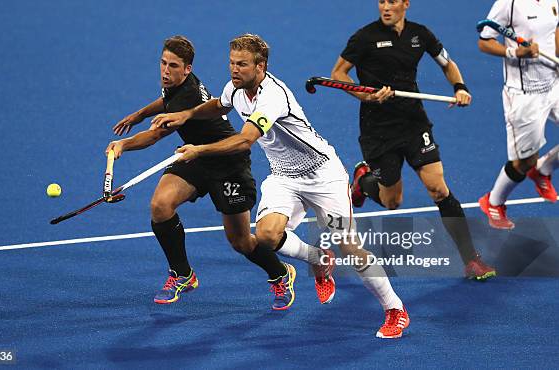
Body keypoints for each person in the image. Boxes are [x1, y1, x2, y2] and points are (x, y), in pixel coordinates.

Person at [152, 34, 410, 339]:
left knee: (350, 247)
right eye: (232, 63)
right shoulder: (234, 87)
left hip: (324, 177)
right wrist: (188, 113)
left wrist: (199, 149)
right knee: (266, 235)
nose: (235, 70)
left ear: (261, 66)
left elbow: (245, 139)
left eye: (242, 64)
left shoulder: (272, 96)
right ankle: (318, 259)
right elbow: (219, 105)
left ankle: (395, 309)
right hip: (284, 177)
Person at [106, 35, 326, 310]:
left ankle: (280, 273)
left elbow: (153, 137)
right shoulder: (177, 85)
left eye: (173, 66)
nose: (165, 71)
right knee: (160, 205)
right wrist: (139, 115)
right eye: (163, 64)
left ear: (187, 69)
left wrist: (123, 145)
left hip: (228, 162)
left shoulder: (186, 96)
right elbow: (165, 101)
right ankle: (183, 274)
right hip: (196, 156)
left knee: (241, 241)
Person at [330, 0, 496, 280]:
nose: (385, 6)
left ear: (405, 4)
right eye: (381, 1)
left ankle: (471, 260)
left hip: (413, 122)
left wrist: (460, 87)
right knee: (392, 201)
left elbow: (447, 63)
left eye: (392, 1)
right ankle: (363, 181)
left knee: (439, 190)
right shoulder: (364, 38)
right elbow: (338, 74)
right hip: (377, 129)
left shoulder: (420, 35)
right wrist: (365, 95)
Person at [478, 0, 559, 230]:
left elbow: (555, 28)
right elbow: (484, 42)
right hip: (525, 94)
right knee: (524, 162)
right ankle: (493, 202)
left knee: (534, 165)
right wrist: (517, 52)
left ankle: (543, 170)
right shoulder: (508, 3)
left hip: (554, 83)